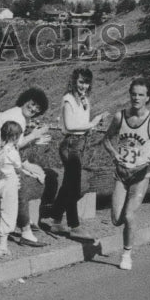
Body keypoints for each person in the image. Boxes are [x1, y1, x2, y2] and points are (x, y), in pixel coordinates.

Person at [102, 78, 150, 271]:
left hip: (141, 175)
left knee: (130, 215)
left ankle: (126, 254)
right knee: (117, 219)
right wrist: (115, 155)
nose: (136, 98)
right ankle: (126, 226)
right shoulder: (120, 117)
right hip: (121, 174)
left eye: (141, 95)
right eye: (134, 94)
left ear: (147, 97)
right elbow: (107, 139)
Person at [0, 88, 50, 245]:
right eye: (32, 104)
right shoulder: (17, 117)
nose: (33, 109)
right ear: (25, 99)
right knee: (16, 182)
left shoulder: (15, 113)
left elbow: (13, 145)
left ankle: (22, 221)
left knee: (16, 180)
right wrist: (34, 136)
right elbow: (13, 146)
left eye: (37, 108)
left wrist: (31, 141)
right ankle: (25, 229)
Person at [43, 68, 109, 238]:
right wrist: (93, 122)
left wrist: (94, 123)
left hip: (80, 144)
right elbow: (70, 126)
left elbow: (82, 123)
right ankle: (74, 226)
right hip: (70, 144)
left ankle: (55, 220)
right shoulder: (68, 100)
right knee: (74, 187)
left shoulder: (85, 99)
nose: (83, 86)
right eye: (80, 82)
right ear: (73, 81)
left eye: (86, 82)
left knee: (68, 186)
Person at [0, 121, 25, 258]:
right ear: (15, 137)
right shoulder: (13, 152)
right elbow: (18, 168)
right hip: (9, 184)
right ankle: (2, 246)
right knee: (8, 213)